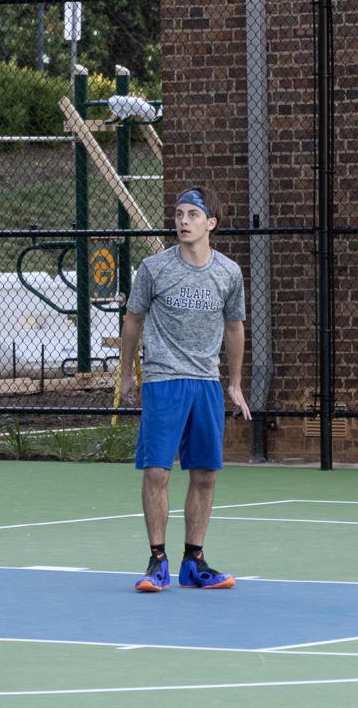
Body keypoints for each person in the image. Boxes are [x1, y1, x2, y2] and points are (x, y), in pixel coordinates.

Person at [116, 188, 250, 593]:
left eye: (193, 214)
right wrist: (125, 375)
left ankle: (195, 561)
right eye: (179, 214)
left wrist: (236, 383)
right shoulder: (154, 269)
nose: (183, 220)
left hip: (206, 384)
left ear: (211, 223)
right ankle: (157, 561)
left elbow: (234, 327)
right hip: (163, 381)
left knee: (205, 475)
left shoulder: (229, 273)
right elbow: (133, 320)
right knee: (157, 470)